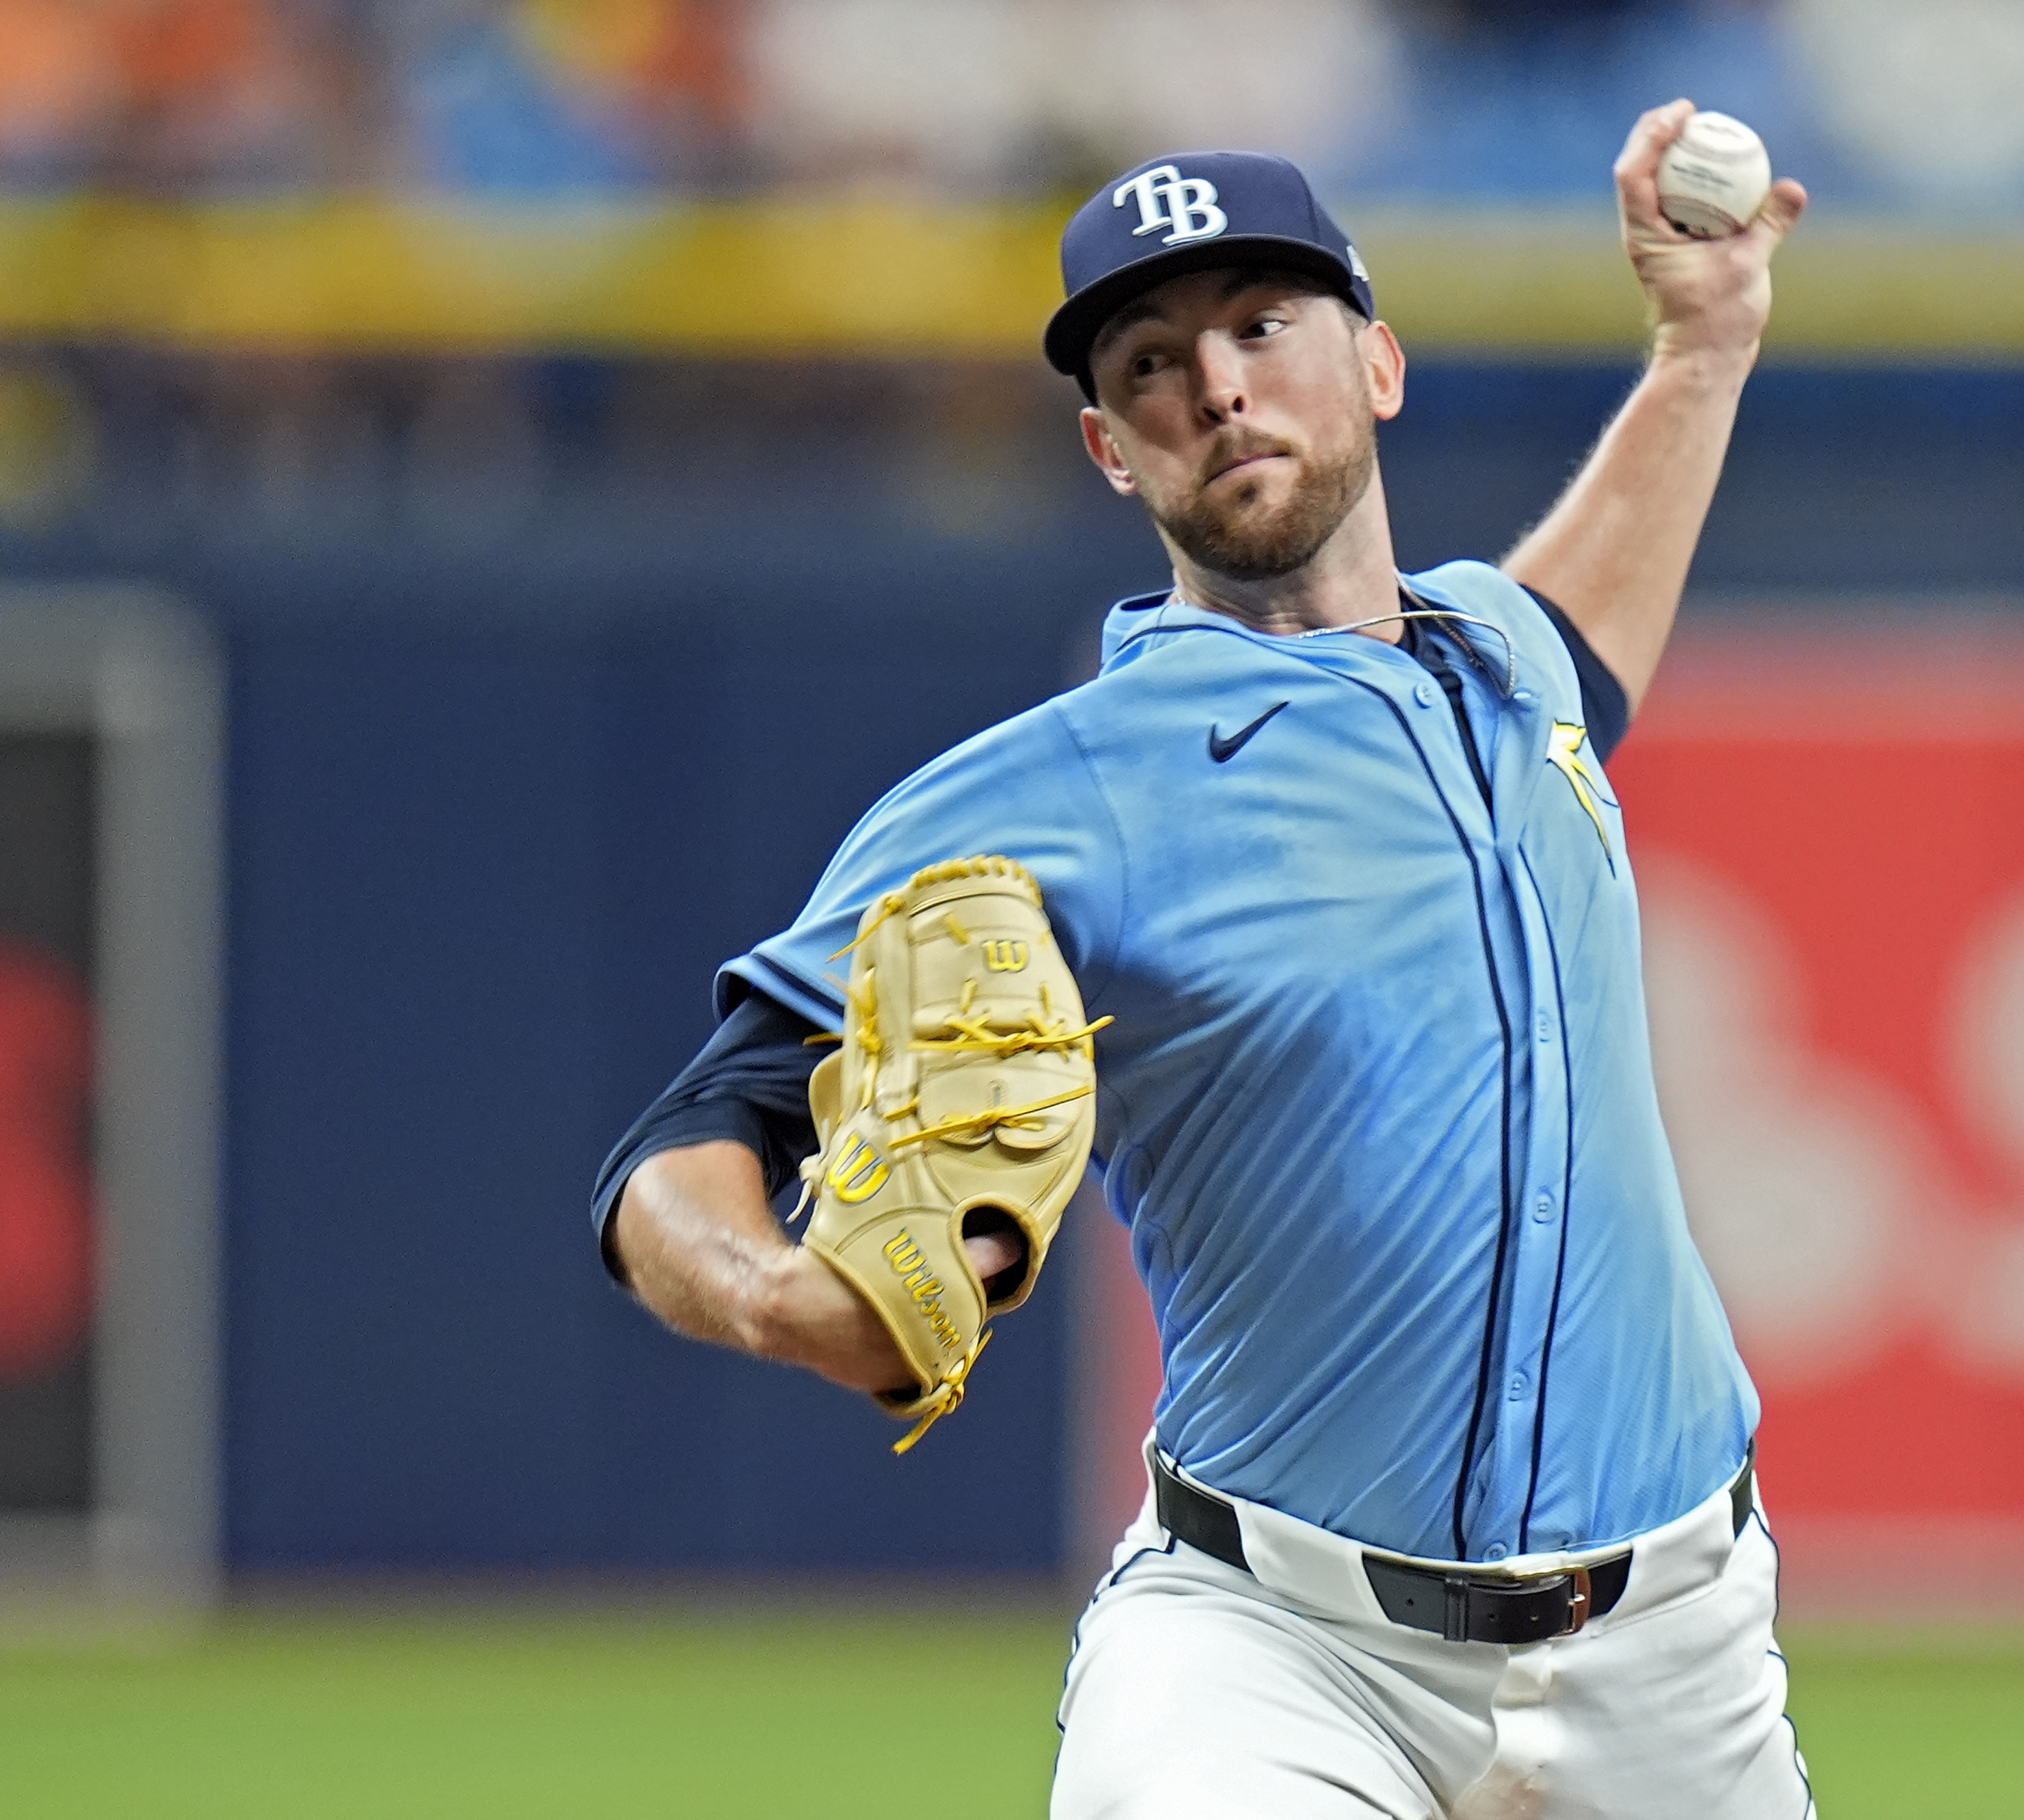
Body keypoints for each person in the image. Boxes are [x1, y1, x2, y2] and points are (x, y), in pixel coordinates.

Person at [592, 101, 1813, 1819]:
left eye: (1261, 326)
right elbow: (686, 1136)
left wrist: (1704, 345)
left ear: (1377, 366)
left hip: (1677, 1653)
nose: (1217, 384)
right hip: (1280, 1654)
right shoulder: (1055, 791)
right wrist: (780, 1295)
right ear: (1111, 450)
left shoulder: (1505, 659)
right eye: (1152, 362)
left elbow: (1587, 642)